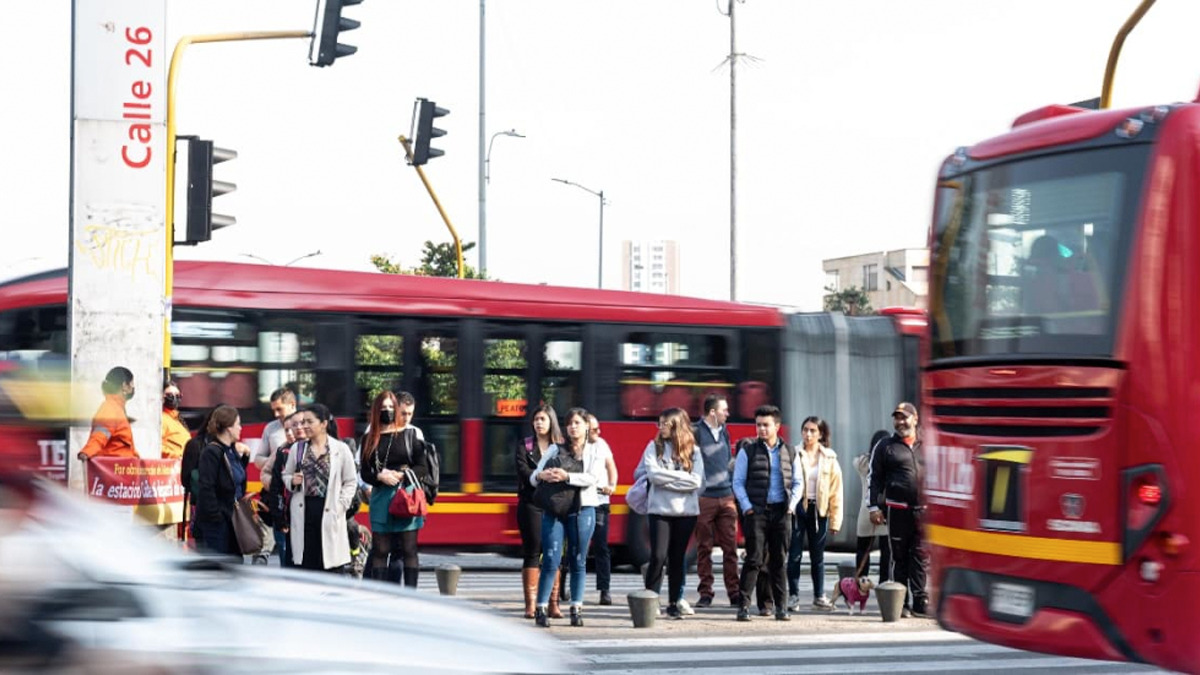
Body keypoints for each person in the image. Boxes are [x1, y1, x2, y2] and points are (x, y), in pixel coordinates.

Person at [530, 407, 607, 628]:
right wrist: (542, 475)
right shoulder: (555, 448)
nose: (573, 427)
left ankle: (576, 608)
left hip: (583, 509)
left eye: (577, 423)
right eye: (569, 423)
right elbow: (534, 477)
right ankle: (541, 608)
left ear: (586, 427)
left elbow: (593, 478)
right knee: (551, 560)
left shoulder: (596, 450)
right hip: (555, 510)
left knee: (578, 560)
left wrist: (566, 476)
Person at [733, 404, 802, 622]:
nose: (761, 429)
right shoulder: (748, 451)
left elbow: (798, 482)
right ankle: (743, 606)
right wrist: (747, 507)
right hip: (757, 513)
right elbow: (737, 482)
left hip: (782, 512)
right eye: (758, 425)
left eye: (766, 425)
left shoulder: (790, 452)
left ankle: (781, 608)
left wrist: (792, 506)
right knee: (753, 559)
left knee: (779, 561)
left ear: (777, 426)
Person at [360, 391, 432, 586]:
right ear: (376, 411)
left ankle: (409, 596)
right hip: (380, 497)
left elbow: (422, 466)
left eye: (391, 408)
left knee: (409, 549)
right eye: (383, 408)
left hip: (405, 496)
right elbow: (365, 472)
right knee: (380, 550)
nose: (388, 412)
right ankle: (381, 596)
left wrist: (402, 475)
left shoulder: (409, 434)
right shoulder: (368, 438)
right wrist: (379, 476)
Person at [641, 408, 704, 620]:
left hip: (686, 512)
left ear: (677, 426)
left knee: (678, 558)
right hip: (659, 510)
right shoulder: (654, 447)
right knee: (658, 556)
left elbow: (696, 481)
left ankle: (674, 602)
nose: (660, 428)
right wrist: (680, 479)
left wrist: (667, 479)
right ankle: (650, 600)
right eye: (659, 423)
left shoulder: (694, 451)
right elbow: (652, 475)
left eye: (664, 424)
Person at [868, 401, 929, 618]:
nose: (900, 422)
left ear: (915, 419)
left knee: (921, 556)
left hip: (924, 511)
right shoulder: (885, 446)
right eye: (897, 417)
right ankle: (901, 602)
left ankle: (921, 601)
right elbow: (873, 478)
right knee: (898, 556)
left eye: (904, 417)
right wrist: (873, 506)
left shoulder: (928, 443)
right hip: (897, 510)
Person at [283, 404, 358, 572]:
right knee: (306, 567)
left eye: (309, 422)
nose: (304, 426)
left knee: (330, 566)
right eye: (303, 422)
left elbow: (351, 481)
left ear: (323, 424)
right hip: (304, 513)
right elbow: (286, 475)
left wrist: (341, 505)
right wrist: (292, 481)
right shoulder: (298, 448)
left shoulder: (341, 449)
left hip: (330, 510)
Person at [786, 417, 843, 612]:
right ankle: (793, 596)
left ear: (820, 434)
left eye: (812, 431)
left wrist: (836, 520)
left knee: (818, 557)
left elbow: (836, 490)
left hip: (819, 511)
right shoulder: (794, 453)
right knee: (794, 554)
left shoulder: (829, 457)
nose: (808, 434)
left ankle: (819, 596)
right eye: (805, 430)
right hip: (798, 508)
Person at [514, 404, 563, 618]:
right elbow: (524, 472)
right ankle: (531, 605)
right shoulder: (524, 446)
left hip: (554, 504)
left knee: (553, 553)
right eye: (536, 419)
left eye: (543, 419)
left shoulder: (561, 447)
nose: (539, 423)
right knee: (532, 551)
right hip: (530, 503)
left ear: (551, 421)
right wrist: (541, 475)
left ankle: (553, 603)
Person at [692, 394, 740, 608]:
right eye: (724, 410)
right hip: (705, 498)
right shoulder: (696, 432)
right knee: (704, 548)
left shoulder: (725, 432)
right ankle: (706, 593)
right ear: (712, 412)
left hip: (726, 496)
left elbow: (727, 462)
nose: (727, 414)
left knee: (731, 548)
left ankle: (735, 593)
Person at [194, 405, 250, 558]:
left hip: (233, 520)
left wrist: (245, 458)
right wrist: (216, 517)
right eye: (238, 424)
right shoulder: (212, 452)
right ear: (229, 428)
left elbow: (234, 479)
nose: (240, 428)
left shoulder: (232, 450)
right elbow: (207, 488)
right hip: (219, 523)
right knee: (220, 566)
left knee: (235, 563)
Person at [586, 414, 619, 606]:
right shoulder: (574, 446)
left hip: (600, 500)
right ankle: (564, 587)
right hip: (580, 500)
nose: (599, 432)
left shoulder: (602, 444)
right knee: (573, 547)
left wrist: (612, 484)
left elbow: (611, 467)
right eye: (595, 429)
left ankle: (604, 590)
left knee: (601, 547)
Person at [77, 366, 137, 460]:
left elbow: (126, 447)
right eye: (132, 383)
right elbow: (99, 435)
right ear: (124, 386)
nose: (133, 387)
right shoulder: (111, 409)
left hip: (122, 469)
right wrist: (87, 452)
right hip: (113, 470)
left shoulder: (117, 408)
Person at [855, 430, 891, 583]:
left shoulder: (864, 463)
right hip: (884, 512)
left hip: (866, 511)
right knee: (886, 553)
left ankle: (860, 584)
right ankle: (884, 585)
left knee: (863, 551)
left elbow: (855, 461)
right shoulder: (891, 464)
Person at [254, 388, 297, 491]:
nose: (276, 415)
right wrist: (277, 461)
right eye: (274, 410)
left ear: (292, 404)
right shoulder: (271, 428)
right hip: (280, 488)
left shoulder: (307, 424)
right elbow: (258, 460)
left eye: (279, 409)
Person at [160, 380, 189, 460]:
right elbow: (157, 446)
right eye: (170, 395)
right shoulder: (162, 419)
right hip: (171, 467)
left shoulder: (178, 420)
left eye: (178, 395)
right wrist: (177, 456)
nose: (174, 398)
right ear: (162, 396)